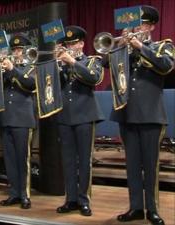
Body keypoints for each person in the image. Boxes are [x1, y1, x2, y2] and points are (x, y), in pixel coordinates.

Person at [112, 6, 174, 225]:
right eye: (135, 25)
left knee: (150, 166)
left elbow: (166, 66)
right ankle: (136, 207)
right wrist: (119, 47)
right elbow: (102, 66)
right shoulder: (124, 51)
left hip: (150, 115)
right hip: (127, 113)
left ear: (151, 26)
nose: (137, 28)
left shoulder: (162, 46)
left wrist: (140, 47)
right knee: (132, 165)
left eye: (142, 24)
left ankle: (153, 210)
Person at [55, 25, 104, 217]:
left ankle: (84, 200)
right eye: (67, 44)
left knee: (84, 161)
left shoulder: (92, 60)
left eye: (73, 43)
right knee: (68, 161)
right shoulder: (60, 63)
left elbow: (94, 78)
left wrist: (73, 62)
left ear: (81, 44)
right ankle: (71, 199)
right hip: (65, 117)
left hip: (85, 115)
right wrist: (54, 63)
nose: (69, 46)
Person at [0, 35, 36, 209]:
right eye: (14, 49)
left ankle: (25, 194)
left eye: (19, 49)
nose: (16, 52)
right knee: (10, 159)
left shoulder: (32, 66)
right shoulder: (4, 69)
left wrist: (12, 69)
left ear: (27, 50)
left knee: (23, 158)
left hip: (22, 119)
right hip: (6, 118)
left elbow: (30, 84)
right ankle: (14, 193)